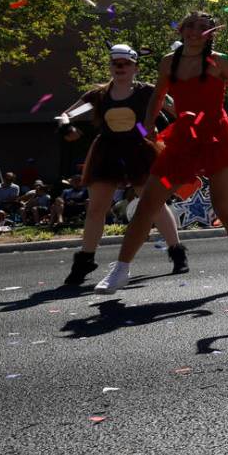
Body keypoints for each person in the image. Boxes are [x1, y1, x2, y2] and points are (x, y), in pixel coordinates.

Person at [94, 12, 228, 294]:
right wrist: (147, 126)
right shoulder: (168, 62)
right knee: (147, 203)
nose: (194, 32)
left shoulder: (218, 61)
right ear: (182, 30)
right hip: (183, 140)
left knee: (223, 205)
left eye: (202, 28)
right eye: (190, 27)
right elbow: (157, 98)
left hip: (217, 137)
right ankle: (120, 269)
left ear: (211, 33)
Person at [57, 44, 187, 286]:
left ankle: (177, 252)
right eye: (115, 63)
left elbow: (177, 109)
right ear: (110, 66)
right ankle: (85, 260)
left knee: (153, 203)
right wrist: (66, 127)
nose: (120, 67)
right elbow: (67, 114)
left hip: (140, 149)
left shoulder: (148, 91)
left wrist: (193, 125)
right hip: (107, 151)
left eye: (125, 63)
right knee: (96, 208)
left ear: (136, 67)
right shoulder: (98, 95)